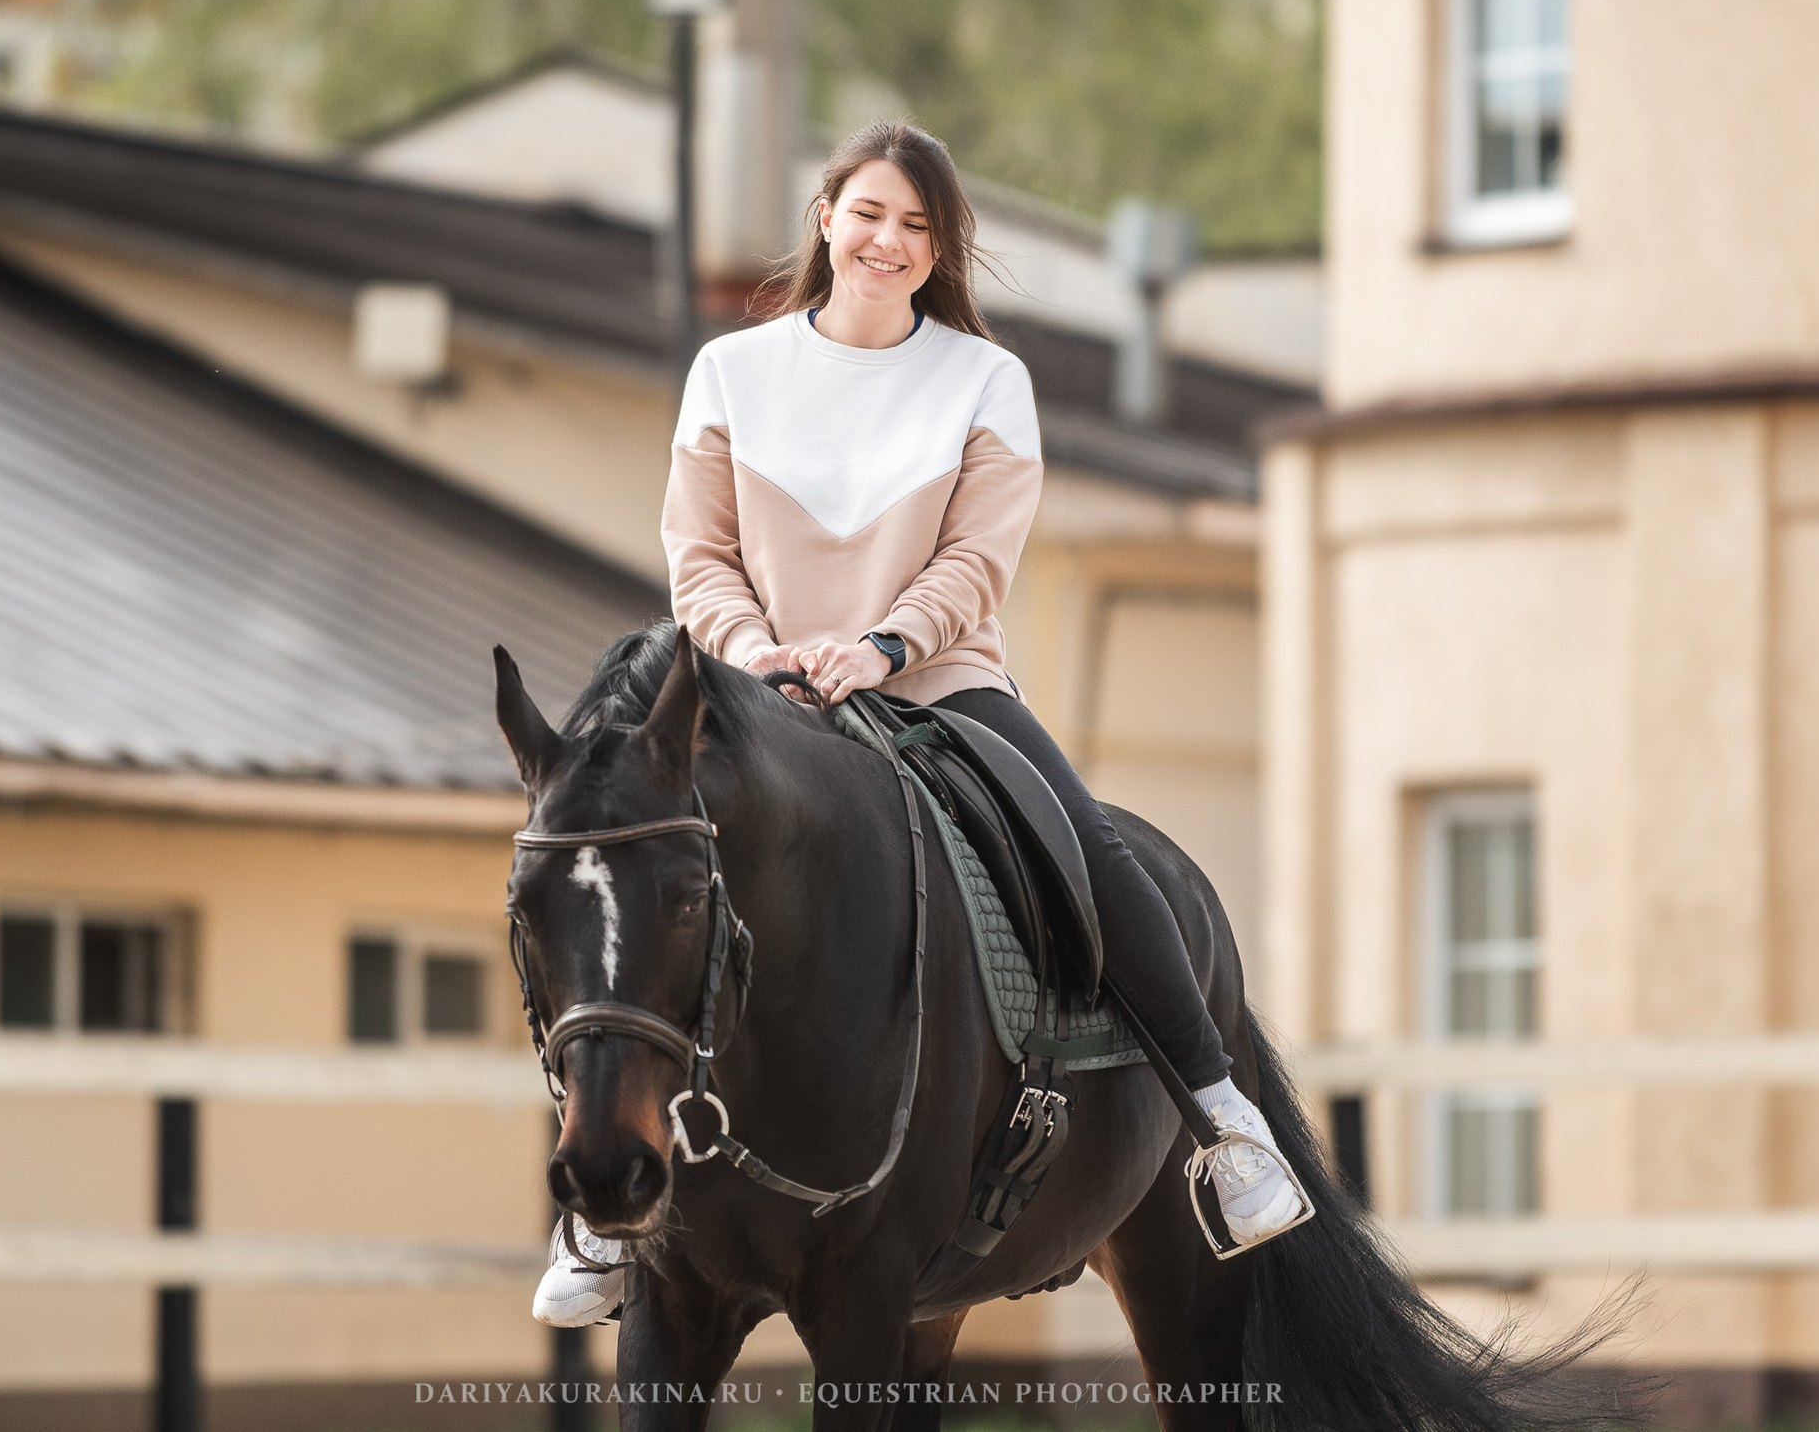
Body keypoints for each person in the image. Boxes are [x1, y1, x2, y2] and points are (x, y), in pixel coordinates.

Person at [532, 121, 1307, 1327]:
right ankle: (597, 1217)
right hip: (754, 692)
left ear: (938, 247)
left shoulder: (984, 380)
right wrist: (753, 654)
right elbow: (699, 553)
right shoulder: (729, 373)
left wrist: (883, 645)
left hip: (939, 681)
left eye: (917, 225)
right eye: (870, 213)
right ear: (826, 216)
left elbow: (975, 559)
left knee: (1088, 848)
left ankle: (1225, 1120)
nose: (888, 241)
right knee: (617, 883)